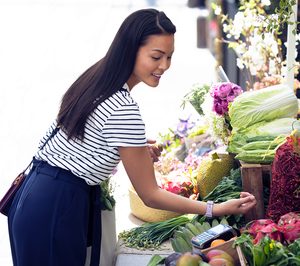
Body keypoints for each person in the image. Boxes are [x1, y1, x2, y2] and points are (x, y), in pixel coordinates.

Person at [7, 8, 256, 266]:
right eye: (156, 56)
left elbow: (77, 141)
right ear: (130, 49)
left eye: (169, 57)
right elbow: (150, 195)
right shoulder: (123, 107)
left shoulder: (96, 79)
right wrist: (214, 208)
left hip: (36, 196)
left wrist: (128, 150)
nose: (164, 66)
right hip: (56, 206)